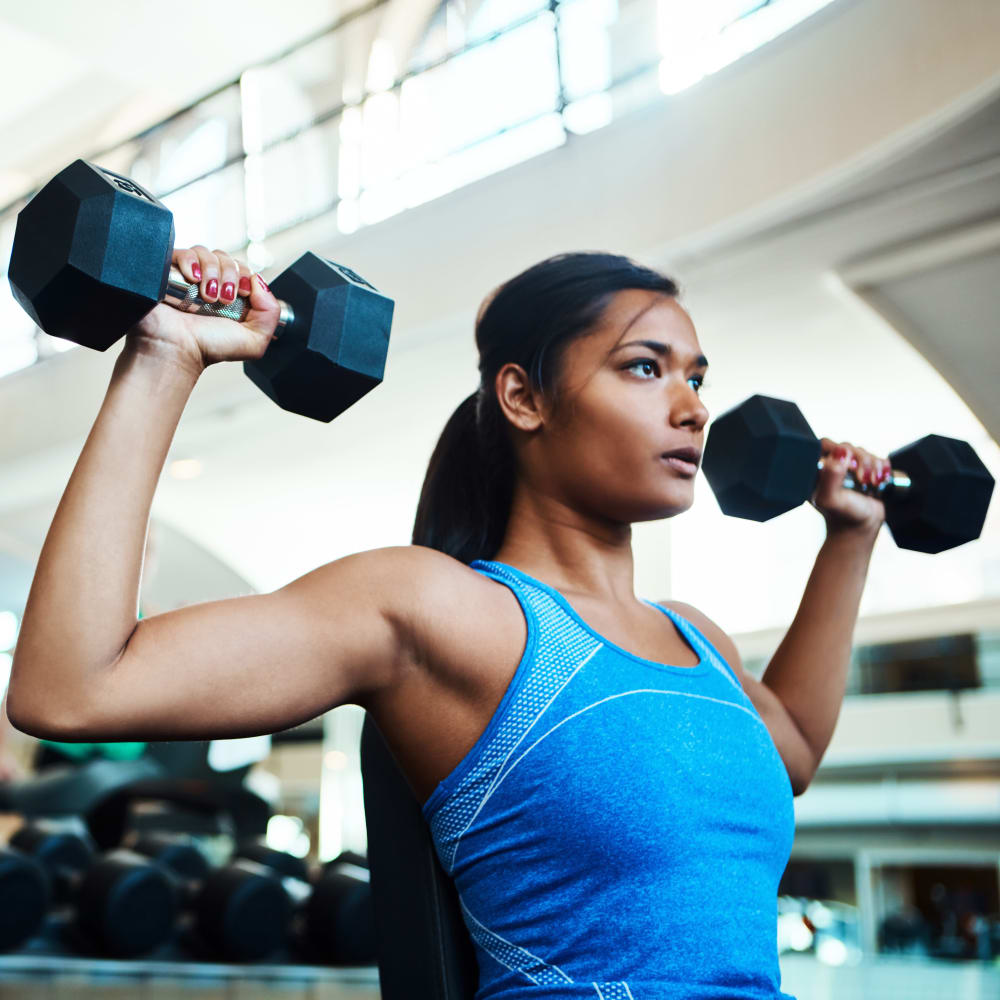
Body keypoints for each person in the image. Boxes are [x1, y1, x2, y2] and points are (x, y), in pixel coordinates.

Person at [8, 246, 891, 998]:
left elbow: (797, 752)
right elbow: (72, 688)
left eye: (697, 377)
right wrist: (166, 355)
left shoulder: (700, 638)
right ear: (523, 398)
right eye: (644, 367)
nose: (693, 406)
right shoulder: (445, 612)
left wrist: (850, 537)